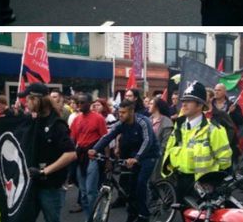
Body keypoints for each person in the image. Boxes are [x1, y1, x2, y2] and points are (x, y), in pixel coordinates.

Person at [161, 82, 232, 205]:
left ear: (200, 105)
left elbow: (225, 161)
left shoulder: (214, 129)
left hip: (204, 184)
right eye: (183, 100)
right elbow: (169, 150)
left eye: (189, 101)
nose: (184, 103)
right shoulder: (179, 128)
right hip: (181, 180)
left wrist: (213, 183)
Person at [89, 99, 160, 222]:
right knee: (131, 187)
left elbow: (147, 141)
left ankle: (144, 214)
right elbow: (107, 136)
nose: (120, 115)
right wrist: (95, 149)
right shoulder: (120, 124)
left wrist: (137, 158)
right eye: (119, 112)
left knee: (141, 182)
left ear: (132, 112)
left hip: (149, 155)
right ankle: (132, 213)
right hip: (133, 156)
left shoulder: (143, 122)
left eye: (123, 112)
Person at [19, 83, 77, 222]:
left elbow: (71, 154)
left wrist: (44, 171)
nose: (26, 103)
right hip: (33, 183)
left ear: (36, 99)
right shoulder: (34, 120)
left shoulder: (57, 124)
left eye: (28, 99)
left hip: (50, 186)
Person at [70, 93, 107, 218]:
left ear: (89, 104)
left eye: (82, 102)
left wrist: (107, 161)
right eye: (78, 102)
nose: (79, 105)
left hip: (93, 157)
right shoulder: (76, 119)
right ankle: (89, 217)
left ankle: (96, 217)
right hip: (80, 157)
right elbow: (72, 140)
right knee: (84, 192)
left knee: (91, 191)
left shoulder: (98, 118)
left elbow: (105, 139)